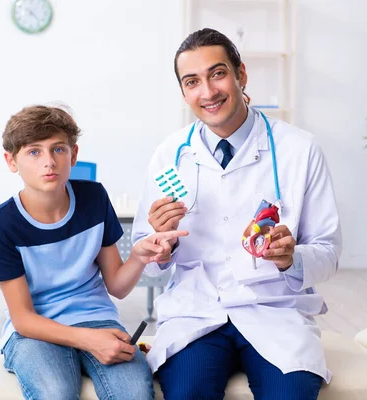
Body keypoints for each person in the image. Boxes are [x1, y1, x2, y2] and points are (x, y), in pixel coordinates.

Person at [132, 28, 343, 399]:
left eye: (218, 74)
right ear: (184, 93)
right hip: (196, 314)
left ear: (240, 74)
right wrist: (159, 249)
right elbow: (144, 259)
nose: (208, 92)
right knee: (186, 393)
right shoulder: (169, 156)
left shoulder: (299, 149)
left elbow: (328, 252)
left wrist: (291, 259)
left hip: (275, 311)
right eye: (192, 81)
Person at [0, 105, 187, 400]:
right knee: (56, 393)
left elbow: (117, 286)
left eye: (58, 149)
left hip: (97, 317)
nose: (49, 162)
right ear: (11, 160)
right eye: (34, 152)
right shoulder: (2, 224)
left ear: (74, 155)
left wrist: (139, 257)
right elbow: (23, 319)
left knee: (134, 394)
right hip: (35, 332)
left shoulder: (94, 198)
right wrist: (89, 341)